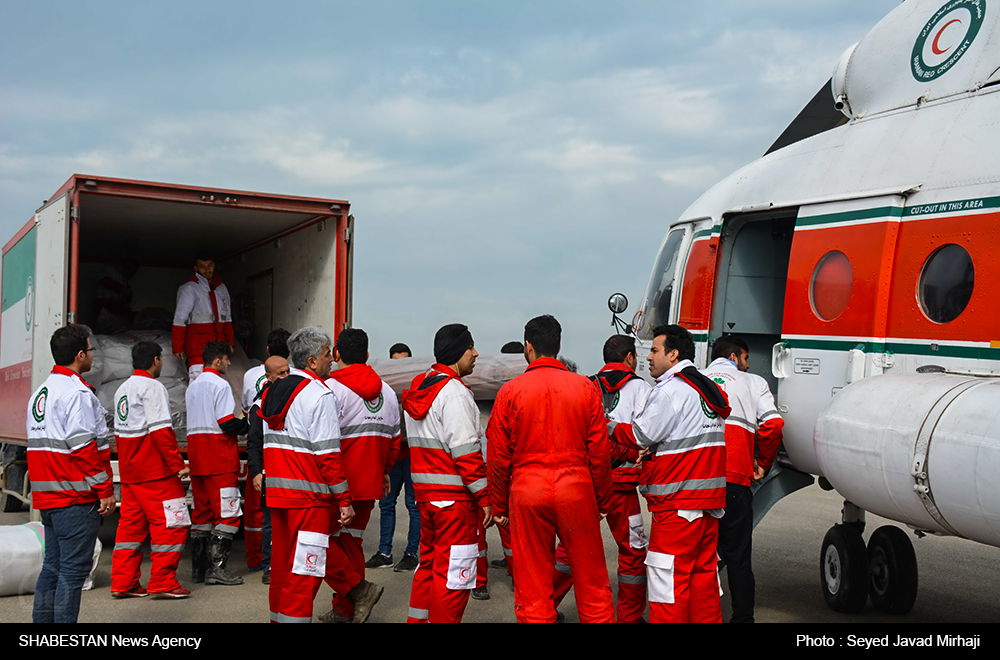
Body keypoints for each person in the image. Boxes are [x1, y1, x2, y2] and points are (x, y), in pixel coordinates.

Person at [487, 315, 615, 623]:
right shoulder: (585, 388)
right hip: (577, 489)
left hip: (528, 491)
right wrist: (603, 500)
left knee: (532, 586)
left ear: (528, 347)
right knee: (592, 581)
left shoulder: (510, 392)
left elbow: (498, 456)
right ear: (558, 346)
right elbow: (600, 451)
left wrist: (498, 503)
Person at [609, 324, 730, 623]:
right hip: (708, 505)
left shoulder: (671, 390)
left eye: (654, 350)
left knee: (668, 585)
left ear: (673, 354)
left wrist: (605, 425)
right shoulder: (707, 388)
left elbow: (640, 434)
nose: (647, 357)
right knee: (703, 580)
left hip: (676, 507)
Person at [261, 327, 379, 624]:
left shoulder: (272, 392)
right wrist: (344, 499)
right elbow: (328, 455)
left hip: (279, 496)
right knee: (305, 575)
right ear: (312, 361)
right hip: (309, 500)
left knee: (283, 571)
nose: (332, 360)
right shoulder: (319, 394)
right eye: (327, 355)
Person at [552, 334, 651, 622]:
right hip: (622, 487)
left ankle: (547, 605)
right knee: (633, 551)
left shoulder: (584, 385)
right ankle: (630, 616)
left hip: (585, 483)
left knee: (569, 549)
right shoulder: (641, 388)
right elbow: (645, 434)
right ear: (630, 358)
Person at [27, 324, 116, 623]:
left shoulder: (41, 391)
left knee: (51, 566)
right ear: (80, 355)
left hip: (49, 498)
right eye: (91, 350)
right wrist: (105, 489)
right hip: (73, 497)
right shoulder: (76, 392)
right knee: (72, 571)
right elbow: (83, 448)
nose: (92, 355)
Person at [402, 324, 491, 623]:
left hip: (426, 499)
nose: (476, 354)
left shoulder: (420, 388)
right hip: (455, 504)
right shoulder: (454, 393)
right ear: (457, 352)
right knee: (454, 578)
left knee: (427, 567)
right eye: (471, 348)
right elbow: (467, 456)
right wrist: (485, 498)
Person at [319, 328, 399, 623]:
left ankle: (359, 589)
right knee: (350, 544)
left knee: (316, 541)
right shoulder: (388, 392)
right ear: (367, 355)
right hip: (370, 483)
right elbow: (395, 439)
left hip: (336, 484)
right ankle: (345, 611)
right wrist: (386, 472)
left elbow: (323, 441)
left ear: (336, 354)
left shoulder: (329, 389)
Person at [703, 334, 784, 623]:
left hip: (697, 481)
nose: (748, 366)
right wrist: (763, 462)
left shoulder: (695, 378)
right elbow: (774, 424)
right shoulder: (754, 383)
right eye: (747, 359)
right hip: (736, 479)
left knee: (696, 556)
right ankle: (743, 617)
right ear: (735, 357)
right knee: (737, 556)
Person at [111, 340, 192, 599]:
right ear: (156, 360)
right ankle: (163, 580)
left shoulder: (122, 389)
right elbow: (161, 431)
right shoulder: (153, 387)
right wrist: (177, 465)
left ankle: (124, 582)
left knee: (130, 529)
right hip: (155, 472)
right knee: (173, 522)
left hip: (131, 472)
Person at [185, 341, 248, 586]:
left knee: (202, 515)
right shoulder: (220, 385)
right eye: (226, 359)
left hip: (198, 459)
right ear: (217, 360)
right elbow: (226, 422)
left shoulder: (193, 385)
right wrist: (250, 425)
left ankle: (199, 570)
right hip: (219, 459)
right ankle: (217, 569)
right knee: (229, 515)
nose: (229, 363)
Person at [368, 342, 422, 574]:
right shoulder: (384, 391)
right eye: (396, 363)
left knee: (413, 505)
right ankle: (385, 553)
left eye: (405, 363)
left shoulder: (417, 388)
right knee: (387, 504)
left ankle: (411, 554)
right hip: (391, 457)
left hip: (412, 455)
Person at [241, 328, 291, 573]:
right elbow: (254, 442)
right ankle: (269, 566)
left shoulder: (297, 397)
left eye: (287, 372)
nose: (285, 377)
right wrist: (255, 471)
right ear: (268, 377)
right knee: (270, 520)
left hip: (291, 468)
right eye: (280, 373)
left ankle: (287, 563)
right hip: (270, 470)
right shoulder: (259, 407)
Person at [172, 252, 234, 382]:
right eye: (202, 266)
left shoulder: (221, 288)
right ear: (196, 268)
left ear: (214, 265)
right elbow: (179, 320)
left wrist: (230, 343)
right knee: (198, 383)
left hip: (218, 347)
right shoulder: (189, 289)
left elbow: (227, 319)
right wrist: (177, 347)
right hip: (197, 348)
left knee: (217, 384)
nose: (207, 270)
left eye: (210, 265)